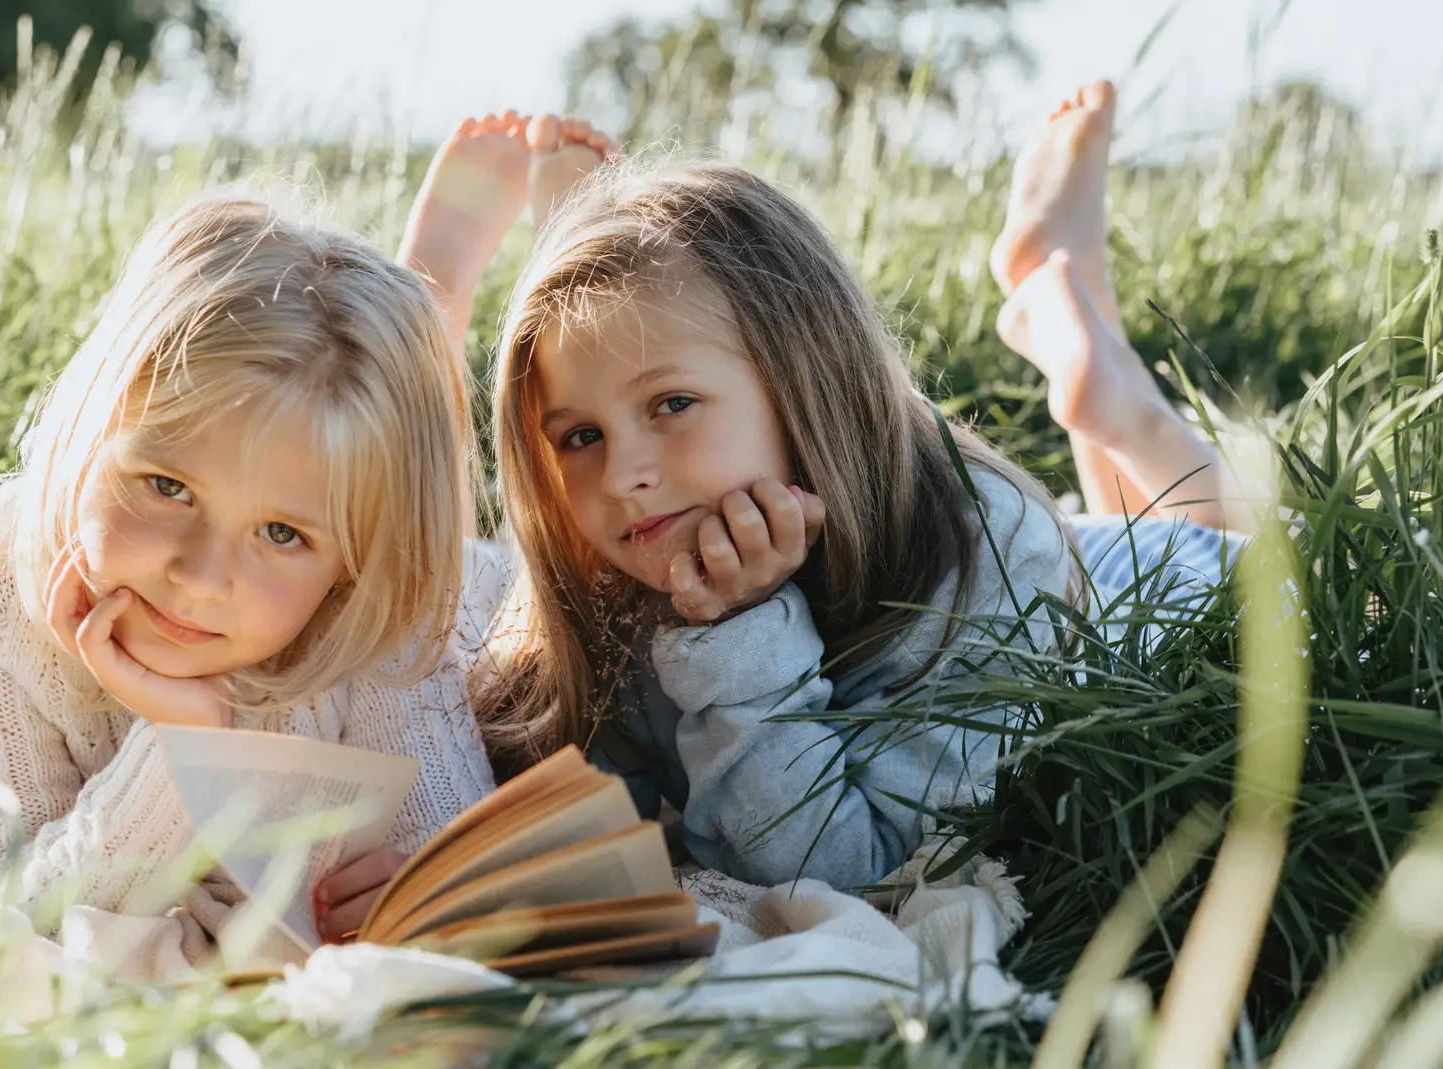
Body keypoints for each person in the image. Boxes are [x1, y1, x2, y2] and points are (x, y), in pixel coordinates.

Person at [474, 82, 1241, 892]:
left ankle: (1124, 394)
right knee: (1120, 515)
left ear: (804, 378)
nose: (624, 475)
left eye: (672, 404)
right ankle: (1089, 347)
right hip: (1088, 545)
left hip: (1161, 592)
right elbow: (579, 802)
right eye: (579, 435)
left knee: (1233, 529)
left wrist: (738, 633)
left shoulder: (986, 556)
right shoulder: (628, 556)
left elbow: (849, 872)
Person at [0, 110, 611, 948]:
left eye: (282, 534)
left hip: (469, 599)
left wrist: (420, 884)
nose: (202, 576)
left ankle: (467, 301)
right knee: (347, 464)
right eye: (167, 484)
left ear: (348, 571)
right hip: (357, 501)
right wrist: (181, 742)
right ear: (90, 431)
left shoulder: (378, 598)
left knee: (546, 581)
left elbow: (441, 840)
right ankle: (423, 317)